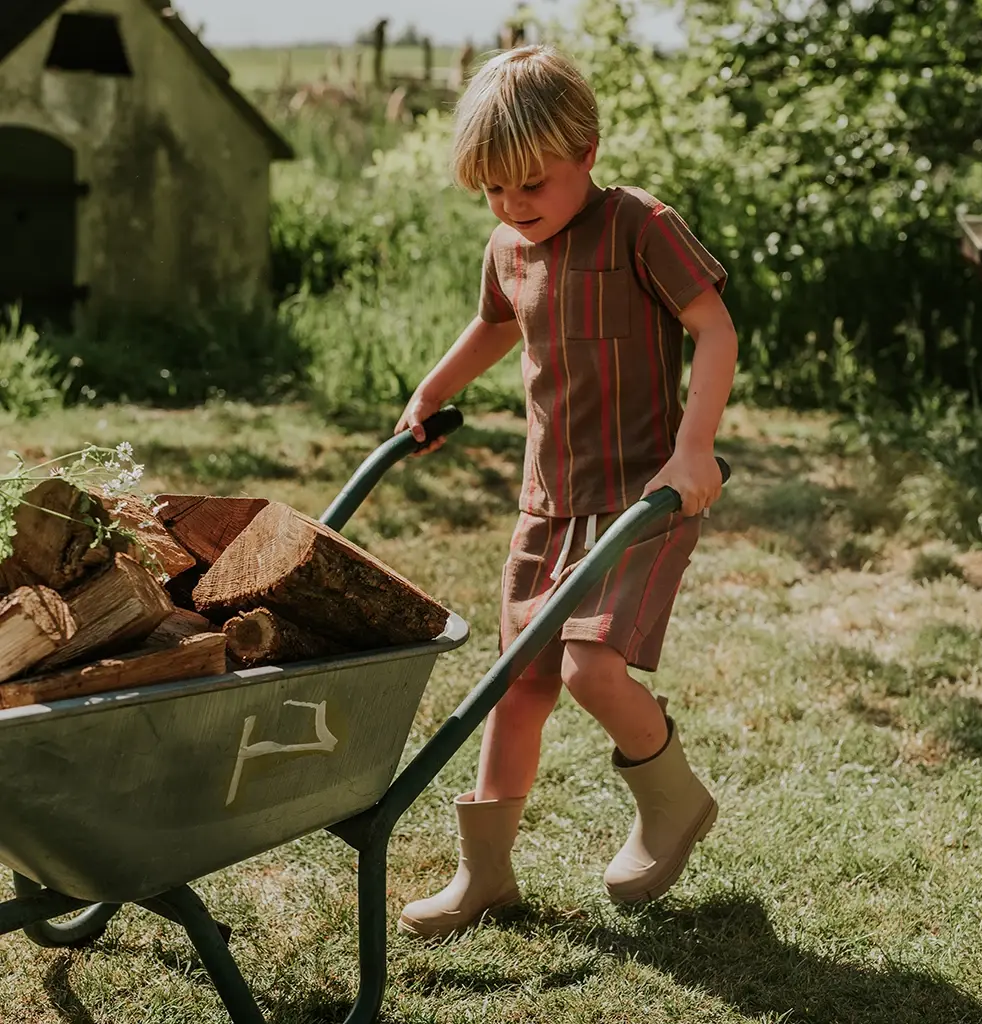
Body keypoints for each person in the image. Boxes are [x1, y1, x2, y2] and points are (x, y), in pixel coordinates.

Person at [393, 44, 738, 940]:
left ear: (587, 150)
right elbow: (490, 327)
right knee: (520, 685)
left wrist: (693, 449)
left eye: (532, 185)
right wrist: (433, 393)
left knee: (590, 665)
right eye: (495, 191)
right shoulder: (508, 245)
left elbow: (713, 328)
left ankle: (671, 801)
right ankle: (484, 877)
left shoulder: (639, 226)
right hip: (549, 501)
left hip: (644, 495)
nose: (514, 207)